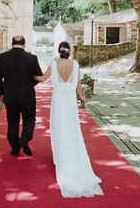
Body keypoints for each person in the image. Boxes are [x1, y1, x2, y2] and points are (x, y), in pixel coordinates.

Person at [35, 41, 103, 198]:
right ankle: (71, 154)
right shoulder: (76, 64)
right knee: (72, 128)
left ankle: (61, 157)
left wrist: (28, 74)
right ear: (69, 51)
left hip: (58, 101)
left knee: (59, 128)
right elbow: (78, 84)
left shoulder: (54, 63)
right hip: (70, 102)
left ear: (58, 51)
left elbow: (43, 78)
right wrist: (83, 98)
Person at [0, 35, 43, 156]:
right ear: (24, 44)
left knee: (12, 122)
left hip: (10, 95)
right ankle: (24, 140)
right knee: (29, 119)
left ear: (11, 44)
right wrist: (29, 84)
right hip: (27, 95)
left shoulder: (2, 57)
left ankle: (15, 147)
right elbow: (38, 76)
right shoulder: (32, 58)